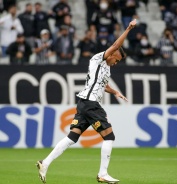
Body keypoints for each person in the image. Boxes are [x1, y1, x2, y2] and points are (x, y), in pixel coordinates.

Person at [36, 19, 137, 184]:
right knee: (109, 136)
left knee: (71, 138)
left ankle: (45, 163)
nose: (116, 62)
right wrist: (128, 29)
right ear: (112, 53)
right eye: (117, 59)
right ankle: (103, 173)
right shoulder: (99, 58)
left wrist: (115, 92)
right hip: (91, 104)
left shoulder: (106, 67)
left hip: (83, 103)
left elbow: (102, 85)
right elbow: (116, 44)